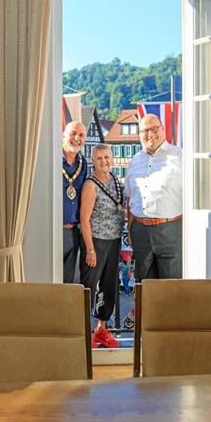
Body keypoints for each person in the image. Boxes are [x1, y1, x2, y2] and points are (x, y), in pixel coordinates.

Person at [124, 114, 183, 281]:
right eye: (144, 131)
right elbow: (130, 199)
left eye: (154, 129)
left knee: (171, 287)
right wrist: (130, 230)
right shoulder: (135, 160)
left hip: (171, 229)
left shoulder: (180, 157)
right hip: (140, 232)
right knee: (144, 286)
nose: (150, 134)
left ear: (162, 129)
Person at [80, 144, 124, 349]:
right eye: (99, 158)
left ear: (113, 159)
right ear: (93, 161)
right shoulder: (91, 184)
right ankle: (82, 332)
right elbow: (84, 218)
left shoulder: (115, 179)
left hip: (114, 240)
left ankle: (101, 329)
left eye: (107, 157)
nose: (104, 161)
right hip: (96, 241)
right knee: (89, 286)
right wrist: (90, 249)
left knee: (108, 286)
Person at [62, 121, 88, 283]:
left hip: (73, 231)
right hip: (53, 231)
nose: (77, 138)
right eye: (73, 133)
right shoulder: (51, 159)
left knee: (67, 280)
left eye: (81, 135)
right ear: (64, 135)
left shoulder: (82, 163)